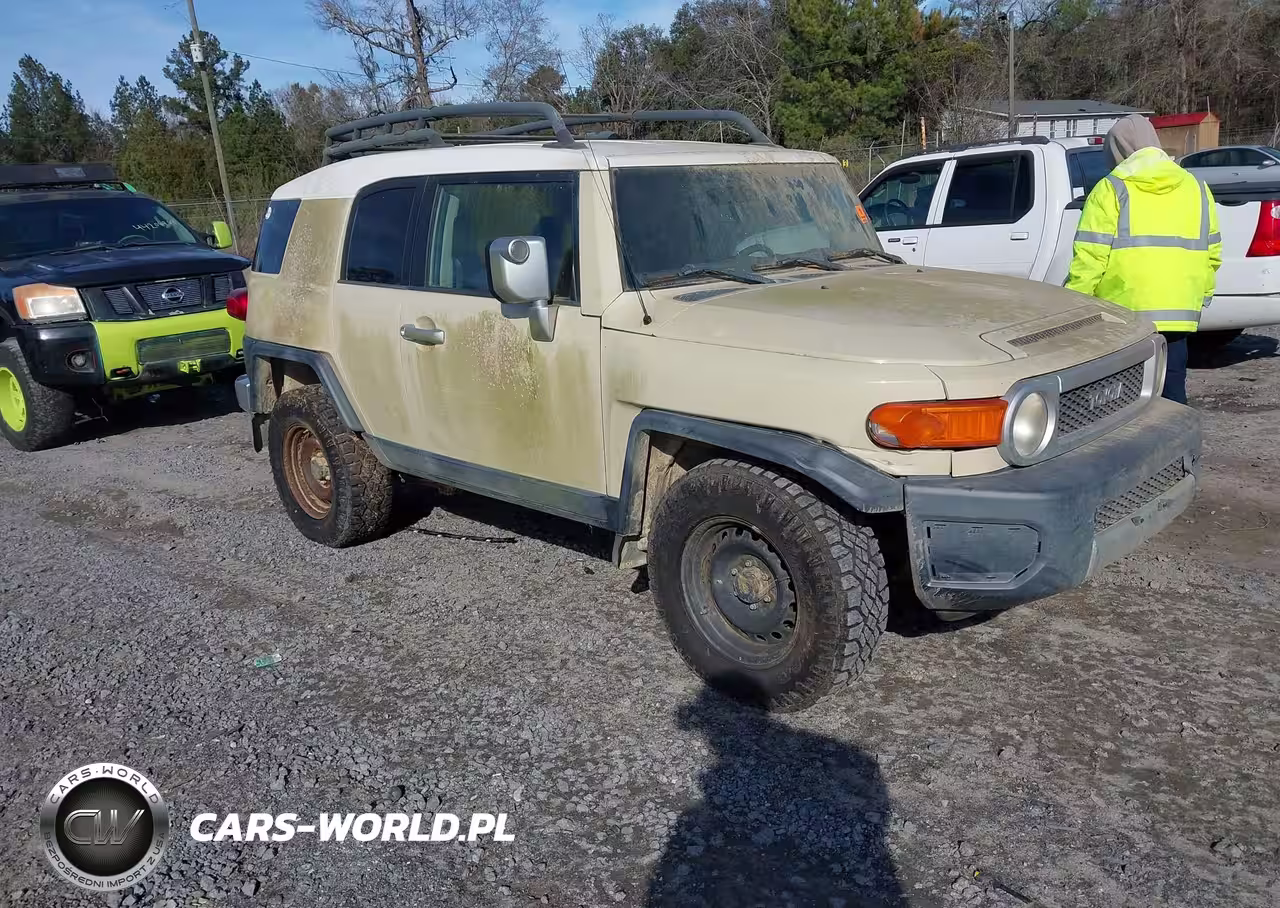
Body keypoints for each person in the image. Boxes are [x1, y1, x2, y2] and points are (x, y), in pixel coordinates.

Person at [1066, 114, 1223, 404]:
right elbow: (1212, 253)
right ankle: (1175, 447)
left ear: (1118, 151)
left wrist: (1073, 306)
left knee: (1121, 400)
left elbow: (1090, 256)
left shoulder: (1111, 188)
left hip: (1123, 313)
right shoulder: (1196, 188)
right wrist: (1201, 297)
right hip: (1179, 313)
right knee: (1172, 393)